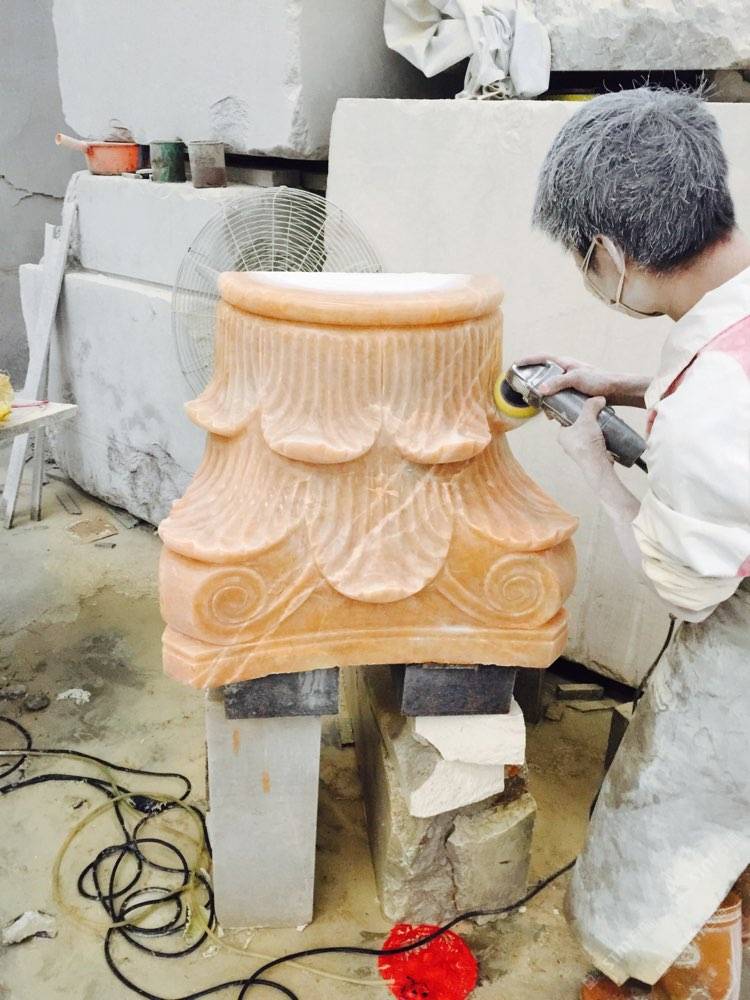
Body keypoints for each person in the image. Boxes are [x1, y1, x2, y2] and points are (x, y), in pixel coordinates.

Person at [530, 87, 750, 999]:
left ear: (610, 256)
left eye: (582, 261)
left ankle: (669, 972)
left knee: (672, 828)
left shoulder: (709, 415)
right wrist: (618, 387)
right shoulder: (729, 320)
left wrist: (599, 472)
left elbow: (683, 589)